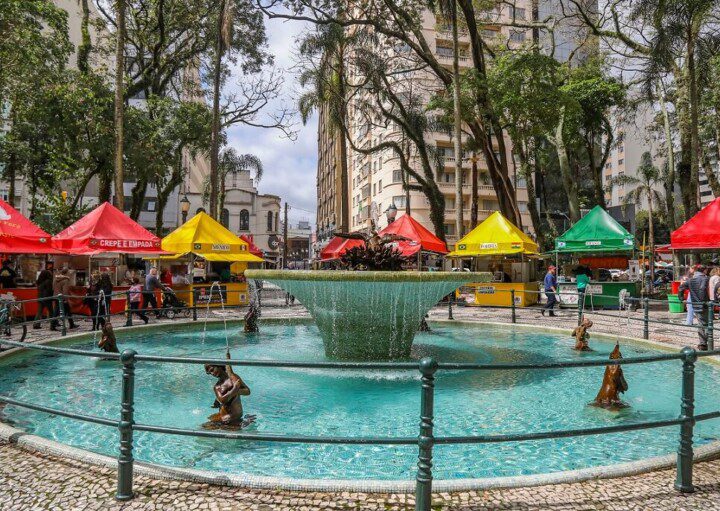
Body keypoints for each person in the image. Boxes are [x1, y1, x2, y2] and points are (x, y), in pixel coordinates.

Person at [204, 350, 251, 427]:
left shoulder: (233, 378)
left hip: (231, 418)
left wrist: (237, 391)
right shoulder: (217, 386)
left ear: (218, 365)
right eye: (210, 373)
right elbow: (223, 400)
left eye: (212, 370)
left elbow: (247, 391)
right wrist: (234, 390)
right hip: (223, 416)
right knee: (202, 429)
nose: (212, 373)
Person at [679, 265, 710, 351]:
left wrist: (681, 298)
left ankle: (703, 344)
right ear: (704, 270)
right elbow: (703, 289)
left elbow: (681, 287)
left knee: (702, 323)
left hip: (695, 304)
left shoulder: (691, 280)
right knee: (707, 324)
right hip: (705, 304)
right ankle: (705, 344)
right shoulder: (705, 279)